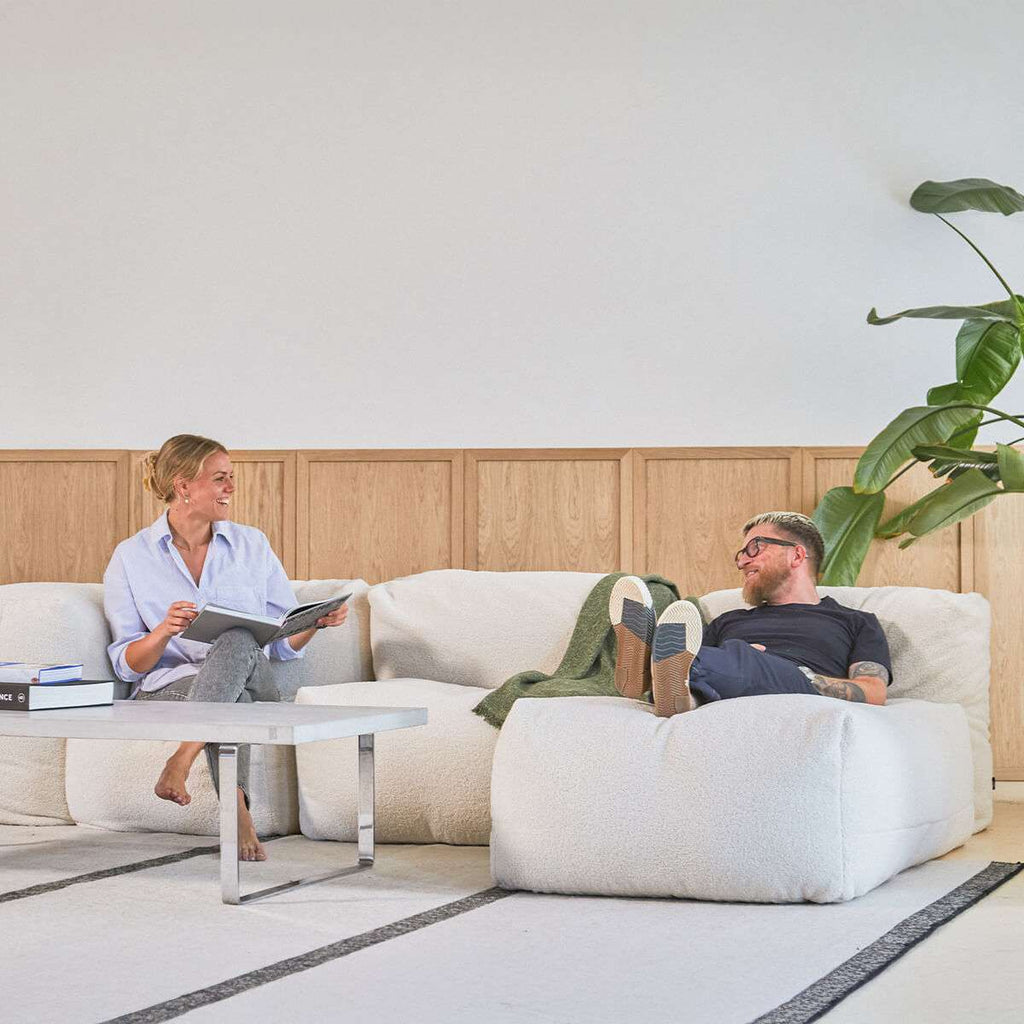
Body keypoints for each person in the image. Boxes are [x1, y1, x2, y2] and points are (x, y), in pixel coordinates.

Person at [103, 434, 349, 862]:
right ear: (183, 486)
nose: (231, 488)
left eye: (231, 477)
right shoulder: (131, 556)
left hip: (253, 675)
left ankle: (183, 756)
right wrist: (162, 632)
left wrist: (314, 624)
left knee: (238, 638)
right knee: (231, 698)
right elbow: (128, 665)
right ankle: (237, 812)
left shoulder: (252, 545)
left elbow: (281, 645)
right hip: (171, 687)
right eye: (220, 479)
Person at [609, 511, 891, 717]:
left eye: (755, 548)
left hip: (796, 682)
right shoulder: (728, 620)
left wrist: (800, 675)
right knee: (701, 659)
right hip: (727, 681)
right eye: (741, 554)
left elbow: (873, 691)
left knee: (737, 656)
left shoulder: (855, 621)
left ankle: (645, 668)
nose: (742, 562)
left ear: (796, 555)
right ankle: (675, 695)